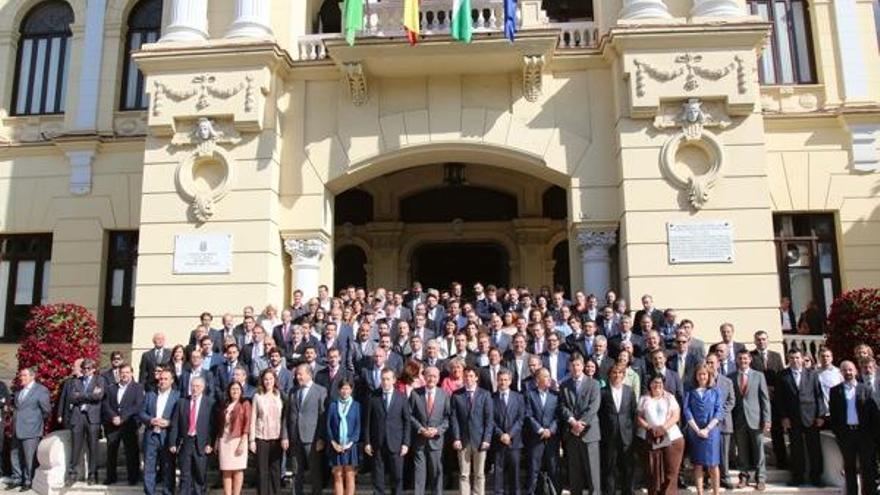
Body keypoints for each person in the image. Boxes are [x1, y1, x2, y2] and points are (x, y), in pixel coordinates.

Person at [778, 348, 827, 487]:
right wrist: (784, 417)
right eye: (792, 358)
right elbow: (780, 399)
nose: (795, 360)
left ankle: (816, 477)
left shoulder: (812, 374)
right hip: (793, 418)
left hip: (811, 417)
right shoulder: (782, 375)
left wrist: (820, 415)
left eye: (797, 358)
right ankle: (797, 477)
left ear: (802, 358)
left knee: (814, 449)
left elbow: (819, 395)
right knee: (796, 449)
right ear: (788, 359)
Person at [829, 360, 878, 495]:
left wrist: (872, 435)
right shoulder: (835, 391)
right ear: (841, 372)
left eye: (850, 370)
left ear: (855, 371)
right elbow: (834, 416)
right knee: (849, 468)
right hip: (846, 435)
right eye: (845, 370)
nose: (848, 373)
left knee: (867, 468)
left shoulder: (865, 389)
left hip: (864, 435)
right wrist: (839, 433)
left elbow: (873, 414)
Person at [283, 363, 328, 495]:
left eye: (300, 374)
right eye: (296, 374)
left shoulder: (320, 391)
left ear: (309, 374)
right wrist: (285, 435)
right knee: (296, 471)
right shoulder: (293, 391)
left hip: (312, 438)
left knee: (314, 471)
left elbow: (322, 416)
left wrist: (321, 437)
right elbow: (287, 415)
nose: (297, 377)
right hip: (295, 437)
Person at [559, 354, 601, 495]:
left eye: (578, 365)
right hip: (572, 434)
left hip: (589, 434)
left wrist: (580, 425)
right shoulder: (565, 385)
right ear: (569, 367)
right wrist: (572, 422)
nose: (575, 368)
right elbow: (563, 406)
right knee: (574, 473)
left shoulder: (594, 384)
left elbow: (593, 407)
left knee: (593, 473)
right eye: (572, 365)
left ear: (583, 366)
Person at [364, 368, 410, 495]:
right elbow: (367, 422)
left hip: (396, 442)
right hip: (377, 442)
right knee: (378, 476)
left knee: (397, 476)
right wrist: (367, 442)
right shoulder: (373, 396)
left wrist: (405, 443)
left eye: (388, 379)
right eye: (383, 379)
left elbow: (407, 422)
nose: (385, 382)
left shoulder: (401, 398)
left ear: (394, 380)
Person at [729, 349, 771, 491]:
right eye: (740, 358)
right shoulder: (731, 377)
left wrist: (767, 419)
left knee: (759, 450)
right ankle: (744, 476)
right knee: (741, 451)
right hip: (739, 420)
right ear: (736, 360)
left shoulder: (758, 376)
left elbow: (765, 399)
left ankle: (761, 478)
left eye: (745, 358)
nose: (743, 361)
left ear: (750, 360)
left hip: (756, 419)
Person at [637, 374, 685, 495]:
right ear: (650, 384)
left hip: (672, 439)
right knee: (653, 472)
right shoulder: (643, 399)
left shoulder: (670, 397)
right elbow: (638, 417)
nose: (657, 385)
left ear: (663, 384)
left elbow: (676, 416)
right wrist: (649, 428)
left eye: (660, 383)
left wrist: (663, 428)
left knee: (670, 472)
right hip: (650, 438)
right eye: (654, 382)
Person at [169, 376, 216, 495]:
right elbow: (175, 424)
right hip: (186, 442)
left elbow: (213, 426)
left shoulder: (210, 403)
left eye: (198, 386)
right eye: (193, 386)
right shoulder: (182, 402)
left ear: (203, 388)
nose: (195, 389)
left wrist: (210, 443)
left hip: (201, 443)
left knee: (200, 474)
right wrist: (172, 442)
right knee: (185, 474)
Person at [450, 366, 493, 495]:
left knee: (479, 474)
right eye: (466, 376)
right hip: (463, 440)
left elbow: (489, 419)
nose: (468, 379)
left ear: (476, 378)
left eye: (471, 376)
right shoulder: (457, 395)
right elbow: (454, 418)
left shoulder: (485, 394)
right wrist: (456, 437)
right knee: (464, 474)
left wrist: (486, 439)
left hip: (480, 440)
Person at [409, 365, 449, 495]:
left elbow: (448, 417)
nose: (431, 378)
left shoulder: (444, 394)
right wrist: (420, 429)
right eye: (429, 375)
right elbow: (409, 415)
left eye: (434, 376)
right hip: (420, 438)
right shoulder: (415, 393)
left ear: (438, 378)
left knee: (436, 471)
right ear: (424, 377)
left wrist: (437, 430)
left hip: (436, 439)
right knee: (419, 471)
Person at [749, 330, 787, 469]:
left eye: (764, 339)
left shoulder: (776, 356)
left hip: (775, 400)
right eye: (758, 339)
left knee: (777, 432)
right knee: (756, 433)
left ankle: (782, 461)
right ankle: (756, 463)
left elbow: (781, 376)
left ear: (768, 340)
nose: (761, 341)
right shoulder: (750, 356)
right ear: (755, 341)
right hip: (757, 400)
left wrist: (774, 390)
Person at [8, 368, 51, 491]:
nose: (21, 377)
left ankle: (28, 480)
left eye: (24, 375)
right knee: (15, 455)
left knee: (29, 457)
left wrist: (35, 422)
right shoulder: (18, 392)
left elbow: (46, 411)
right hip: (16, 428)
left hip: (31, 429)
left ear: (32, 376)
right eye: (21, 375)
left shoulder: (41, 390)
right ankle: (17, 478)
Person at [65, 358, 106, 486]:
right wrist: (89, 395)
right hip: (78, 417)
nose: (85, 371)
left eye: (88, 368)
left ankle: (93, 475)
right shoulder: (75, 381)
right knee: (75, 447)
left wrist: (81, 395)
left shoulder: (100, 380)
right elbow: (71, 398)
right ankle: (72, 474)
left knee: (93, 447)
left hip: (92, 418)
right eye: (83, 368)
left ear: (93, 369)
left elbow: (98, 396)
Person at [684, 364, 724, 495]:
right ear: (696, 376)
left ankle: (716, 492)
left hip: (711, 432)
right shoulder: (690, 391)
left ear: (709, 375)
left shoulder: (716, 391)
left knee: (713, 464)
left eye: (705, 374)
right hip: (695, 432)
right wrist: (697, 430)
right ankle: (700, 493)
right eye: (700, 374)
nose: (702, 377)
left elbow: (719, 411)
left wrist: (707, 429)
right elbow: (687, 411)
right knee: (698, 464)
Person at [102, 363, 144, 486]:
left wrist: (123, 418)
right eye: (122, 372)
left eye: (127, 372)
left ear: (131, 373)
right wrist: (113, 416)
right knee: (111, 452)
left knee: (131, 451)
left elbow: (137, 405)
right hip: (112, 424)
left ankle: (133, 477)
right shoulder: (111, 388)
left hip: (129, 424)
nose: (124, 375)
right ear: (118, 374)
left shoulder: (138, 388)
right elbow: (106, 404)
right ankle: (110, 477)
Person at [599, 365, 637, 495]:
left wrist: (632, 433)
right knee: (609, 468)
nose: (617, 375)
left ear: (623, 375)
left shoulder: (629, 391)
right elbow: (599, 414)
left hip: (626, 436)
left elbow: (633, 413)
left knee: (627, 467)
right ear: (609, 375)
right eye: (614, 372)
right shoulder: (603, 392)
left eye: (620, 373)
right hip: (609, 436)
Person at [249, 368, 285, 495]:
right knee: (262, 471)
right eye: (266, 379)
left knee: (275, 470)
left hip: (277, 437)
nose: (268, 381)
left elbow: (284, 417)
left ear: (275, 380)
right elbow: (253, 418)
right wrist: (252, 440)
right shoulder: (257, 396)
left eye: (270, 379)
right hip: (261, 437)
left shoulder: (280, 395)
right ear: (262, 381)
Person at [705, 354, 735, 490]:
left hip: (723, 422)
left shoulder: (727, 381)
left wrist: (719, 416)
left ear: (718, 364)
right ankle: (708, 478)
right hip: (707, 423)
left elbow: (731, 401)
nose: (710, 365)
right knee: (708, 452)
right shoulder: (702, 380)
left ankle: (725, 476)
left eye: (712, 362)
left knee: (723, 452)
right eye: (708, 362)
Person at [491, 369, 524, 495]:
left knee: (514, 472)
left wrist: (509, 434)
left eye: (505, 380)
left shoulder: (518, 397)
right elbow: (490, 420)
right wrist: (501, 434)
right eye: (500, 380)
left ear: (510, 381)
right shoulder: (491, 397)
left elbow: (521, 419)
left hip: (514, 441)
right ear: (497, 381)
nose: (503, 382)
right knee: (498, 473)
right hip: (498, 441)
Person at [327, 379, 361, 495]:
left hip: (350, 445)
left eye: (347, 388)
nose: (345, 391)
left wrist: (350, 443)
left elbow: (357, 427)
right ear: (338, 390)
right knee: (338, 474)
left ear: (351, 390)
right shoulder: (333, 405)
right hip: (336, 445)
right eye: (342, 388)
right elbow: (328, 426)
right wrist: (334, 443)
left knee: (350, 474)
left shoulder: (356, 406)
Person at [217, 381, 251, 495]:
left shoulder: (245, 403)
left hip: (238, 439)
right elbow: (220, 424)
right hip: (224, 440)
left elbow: (247, 423)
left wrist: (243, 442)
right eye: (232, 389)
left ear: (241, 391)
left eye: (237, 389)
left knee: (237, 469)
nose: (235, 391)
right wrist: (217, 440)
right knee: (226, 470)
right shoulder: (225, 404)